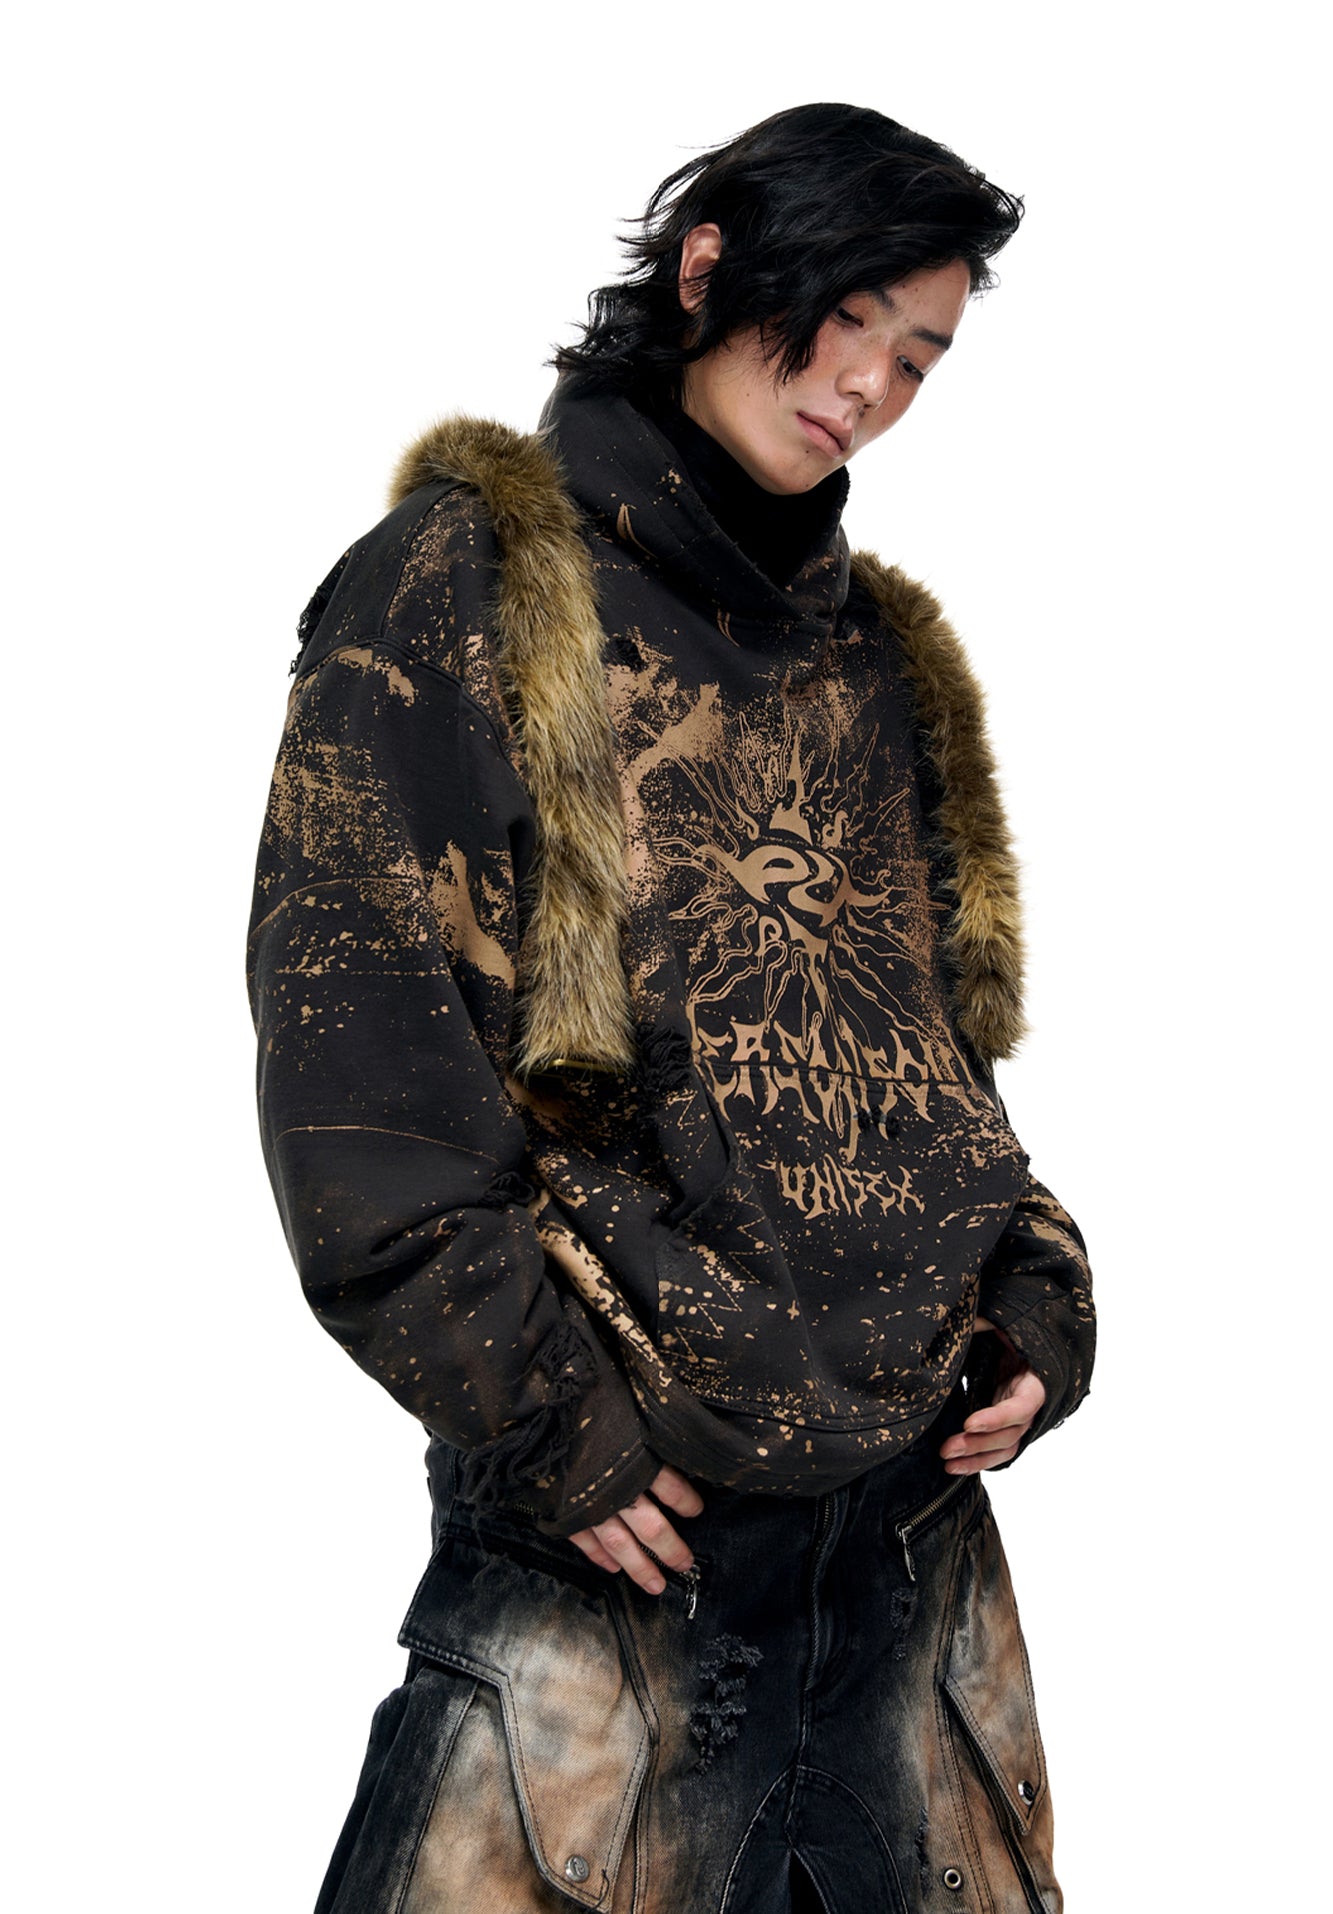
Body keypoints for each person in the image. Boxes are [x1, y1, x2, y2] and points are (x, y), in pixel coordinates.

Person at [248, 101, 1095, 1914]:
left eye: (918, 355)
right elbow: (361, 1080)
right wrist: (550, 1428)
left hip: (912, 1572)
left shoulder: (879, 655)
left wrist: (1036, 1288)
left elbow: (923, 1068)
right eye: (844, 319)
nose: (868, 386)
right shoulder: (460, 591)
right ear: (706, 265)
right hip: (615, 1566)